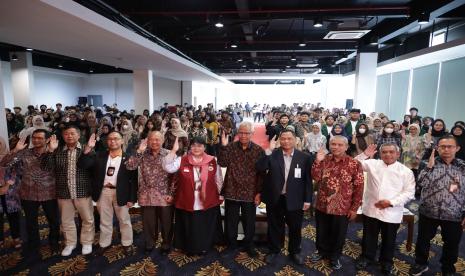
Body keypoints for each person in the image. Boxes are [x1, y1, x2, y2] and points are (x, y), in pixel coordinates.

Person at [354, 143, 415, 275]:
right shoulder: (372, 164)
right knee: (369, 236)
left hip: (391, 211)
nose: (388, 154)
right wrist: (365, 154)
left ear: (398, 154)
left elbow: (409, 193)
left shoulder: (406, 171)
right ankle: (367, 257)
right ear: (380, 154)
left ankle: (386, 261)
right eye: (384, 152)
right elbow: (353, 164)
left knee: (389, 238)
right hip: (371, 207)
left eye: (391, 152)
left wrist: (391, 202)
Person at [255, 129, 313, 265]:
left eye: (289, 138)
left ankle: (295, 251)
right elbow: (260, 167)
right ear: (279, 140)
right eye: (283, 139)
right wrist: (268, 151)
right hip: (275, 197)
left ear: (295, 140)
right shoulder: (273, 155)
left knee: (295, 227)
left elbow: (307, 180)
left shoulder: (304, 157)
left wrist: (308, 199)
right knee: (275, 226)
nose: (286, 141)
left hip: (295, 198)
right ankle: (274, 249)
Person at [410, 136, 465, 276]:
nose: (446, 149)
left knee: (451, 243)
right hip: (428, 211)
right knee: (423, 240)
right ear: (437, 148)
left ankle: (448, 268)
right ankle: (420, 263)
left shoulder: (463, 166)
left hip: (454, 213)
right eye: (442, 146)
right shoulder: (426, 163)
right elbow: (419, 185)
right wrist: (429, 167)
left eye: (450, 146)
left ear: (457, 148)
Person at [78, 131, 137, 254]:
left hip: (122, 193)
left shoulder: (129, 157)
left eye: (116, 138)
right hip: (103, 192)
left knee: (124, 220)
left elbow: (133, 180)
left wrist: (132, 198)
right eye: (110, 139)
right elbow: (82, 165)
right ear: (106, 142)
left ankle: (127, 243)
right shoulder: (99, 155)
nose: (113, 141)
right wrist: (88, 148)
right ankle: (105, 243)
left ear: (122, 141)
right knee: (105, 220)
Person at [310, 135, 364, 270]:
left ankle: (335, 257)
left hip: (342, 206)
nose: (336, 147)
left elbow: (359, 187)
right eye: (333, 144)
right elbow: (315, 177)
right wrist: (317, 161)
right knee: (322, 231)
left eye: (340, 145)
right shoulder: (324, 160)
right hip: (323, 204)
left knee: (338, 234)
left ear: (346, 147)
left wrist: (354, 208)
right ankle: (321, 252)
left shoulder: (354, 163)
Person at [163, 136, 223, 255]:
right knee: (189, 223)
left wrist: (221, 194)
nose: (196, 148)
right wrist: (173, 151)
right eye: (194, 145)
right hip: (186, 197)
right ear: (190, 147)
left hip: (207, 198)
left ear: (204, 147)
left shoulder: (213, 160)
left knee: (203, 223)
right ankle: (188, 247)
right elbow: (167, 168)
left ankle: (204, 246)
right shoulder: (182, 160)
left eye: (199, 145)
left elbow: (218, 178)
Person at [0, 131, 59, 252]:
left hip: (49, 192)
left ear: (47, 140)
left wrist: (51, 151)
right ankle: (34, 245)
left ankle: (54, 242)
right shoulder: (24, 153)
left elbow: (52, 167)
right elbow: (4, 163)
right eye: (34, 138)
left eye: (39, 138)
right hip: (28, 193)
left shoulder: (54, 153)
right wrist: (15, 150)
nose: (36, 140)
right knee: (30, 222)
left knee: (53, 220)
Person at [42, 125, 95, 256]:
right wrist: (49, 150)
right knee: (66, 220)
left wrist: (87, 151)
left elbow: (92, 168)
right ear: (63, 136)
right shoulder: (57, 150)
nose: (69, 136)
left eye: (72, 133)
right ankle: (70, 243)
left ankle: (87, 242)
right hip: (63, 192)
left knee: (88, 219)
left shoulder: (86, 148)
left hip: (82, 191)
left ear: (79, 135)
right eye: (66, 134)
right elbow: (46, 167)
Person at [126, 131, 177, 254]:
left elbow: (175, 177)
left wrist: (172, 194)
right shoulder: (142, 154)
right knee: (148, 223)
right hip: (146, 194)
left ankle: (166, 244)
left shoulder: (169, 154)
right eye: (151, 139)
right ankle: (150, 243)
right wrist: (139, 151)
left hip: (164, 195)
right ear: (147, 141)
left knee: (167, 222)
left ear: (162, 140)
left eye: (157, 139)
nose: (154, 142)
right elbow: (129, 166)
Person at [217, 122, 264, 257]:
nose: (243, 135)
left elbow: (261, 174)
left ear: (252, 134)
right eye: (241, 132)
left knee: (249, 222)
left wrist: (259, 192)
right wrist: (224, 147)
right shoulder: (230, 147)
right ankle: (231, 245)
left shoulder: (258, 150)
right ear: (238, 133)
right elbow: (222, 162)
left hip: (250, 192)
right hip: (232, 189)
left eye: (247, 133)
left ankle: (248, 245)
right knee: (230, 220)